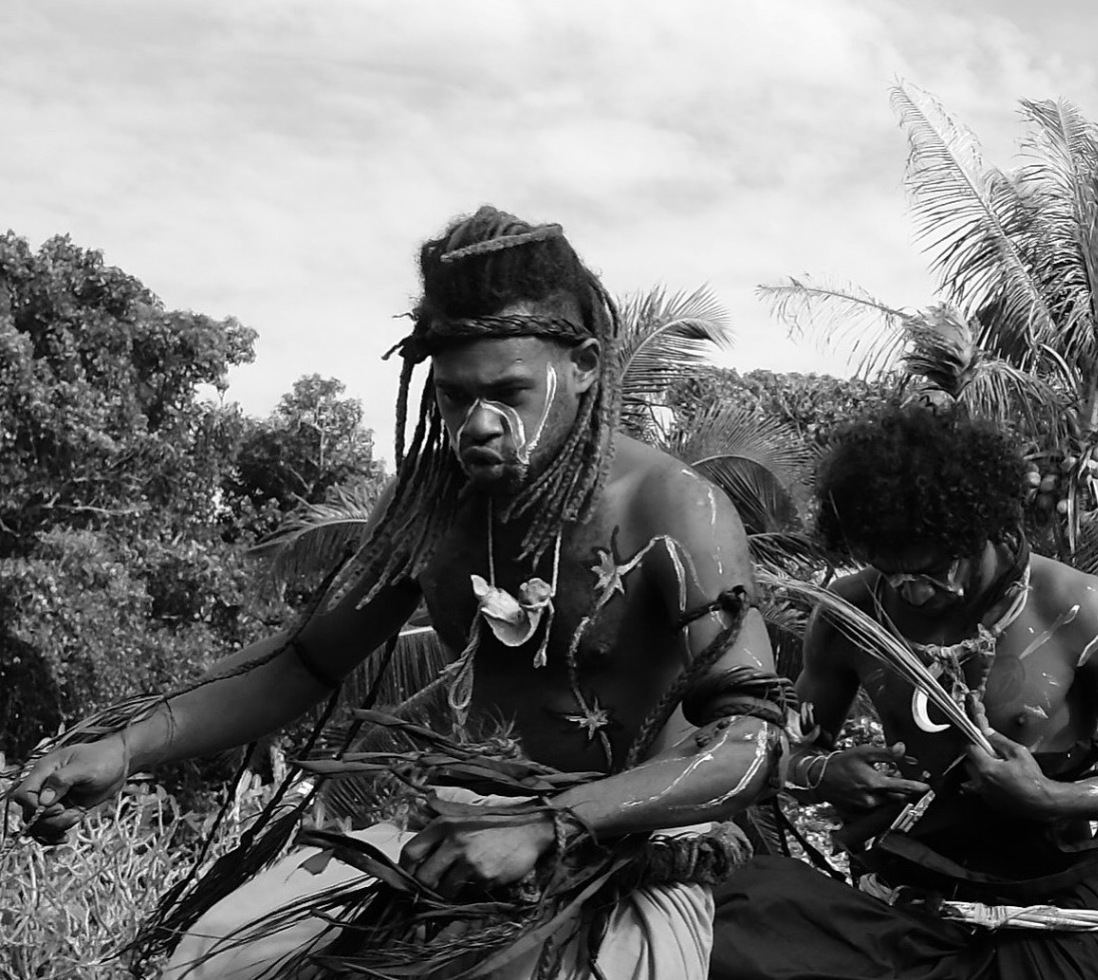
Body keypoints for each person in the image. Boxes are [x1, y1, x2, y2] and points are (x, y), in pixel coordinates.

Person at [11, 208, 788, 979]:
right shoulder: (427, 509)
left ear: (583, 365)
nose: (478, 425)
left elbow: (752, 745)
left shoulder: (672, 509)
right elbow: (301, 663)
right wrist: (125, 746)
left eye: (509, 392)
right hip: (443, 843)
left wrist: (552, 824)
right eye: (454, 397)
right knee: (212, 964)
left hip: (623, 863)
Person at [712, 403, 1098, 980]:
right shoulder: (850, 614)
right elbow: (778, 750)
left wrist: (1053, 799)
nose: (911, 592)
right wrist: (823, 772)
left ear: (987, 530)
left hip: (1043, 926)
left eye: (933, 571)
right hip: (897, 916)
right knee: (734, 917)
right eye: (892, 573)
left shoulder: (1079, 610)